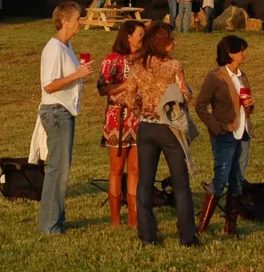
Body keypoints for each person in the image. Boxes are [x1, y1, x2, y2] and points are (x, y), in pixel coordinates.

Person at [123, 22, 197, 246]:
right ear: (164, 45)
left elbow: (128, 98)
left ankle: (147, 236)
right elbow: (185, 96)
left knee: (144, 182)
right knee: (180, 183)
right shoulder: (174, 66)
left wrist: (141, 111)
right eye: (171, 39)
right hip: (169, 127)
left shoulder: (138, 67)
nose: (174, 42)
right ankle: (187, 237)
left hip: (145, 128)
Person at [36, 2, 92, 235]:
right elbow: (49, 85)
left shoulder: (67, 46)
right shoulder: (54, 48)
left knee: (61, 168)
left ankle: (56, 218)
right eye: (78, 19)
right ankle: (49, 224)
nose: (81, 22)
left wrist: (78, 72)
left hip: (64, 111)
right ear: (66, 22)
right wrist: (77, 75)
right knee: (58, 170)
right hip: (56, 112)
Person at [195, 35, 254, 238]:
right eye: (241, 51)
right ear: (230, 54)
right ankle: (202, 225)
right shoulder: (215, 77)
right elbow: (200, 106)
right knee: (220, 179)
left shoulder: (242, 76)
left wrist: (249, 106)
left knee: (237, 179)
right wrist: (216, 126)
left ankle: (231, 226)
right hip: (225, 133)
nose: (244, 54)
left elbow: (246, 103)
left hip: (243, 132)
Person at [97, 20, 144, 228]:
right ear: (128, 37)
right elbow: (103, 88)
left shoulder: (143, 61)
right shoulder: (112, 60)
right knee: (116, 170)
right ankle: (115, 218)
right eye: (140, 35)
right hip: (118, 119)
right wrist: (125, 86)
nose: (143, 38)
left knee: (136, 170)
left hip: (139, 119)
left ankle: (134, 218)